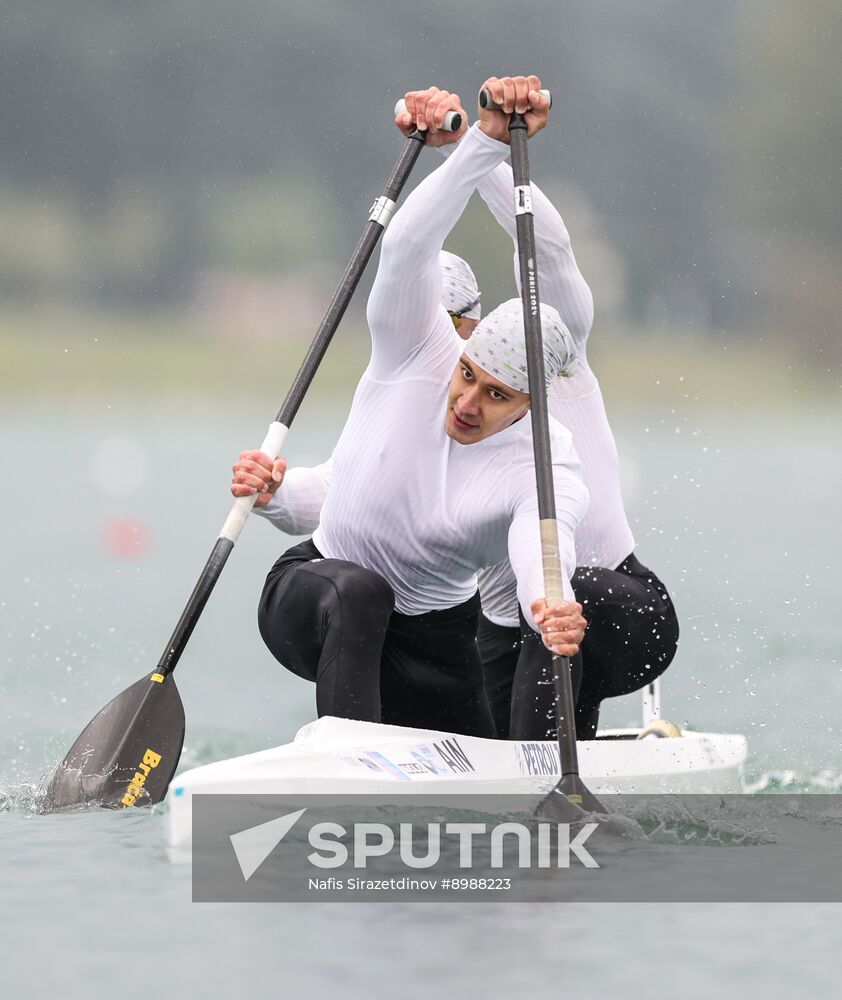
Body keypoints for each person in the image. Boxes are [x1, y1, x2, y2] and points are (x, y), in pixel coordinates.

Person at [241, 78, 680, 742]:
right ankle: (358, 773)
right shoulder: (417, 355)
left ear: (533, 396)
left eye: (497, 390)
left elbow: (541, 536)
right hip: (463, 618)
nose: (465, 394)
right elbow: (351, 486)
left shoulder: (549, 422)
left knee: (551, 615)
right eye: (466, 372)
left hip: (568, 606)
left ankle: (547, 792)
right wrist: (472, 146)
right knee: (389, 605)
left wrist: (549, 600)